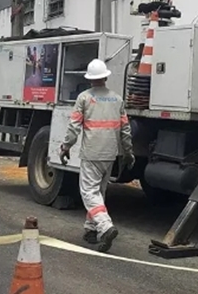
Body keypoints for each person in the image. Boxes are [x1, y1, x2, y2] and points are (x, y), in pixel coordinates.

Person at [59, 59, 134, 252]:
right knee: (99, 193)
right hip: (110, 154)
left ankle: (105, 226)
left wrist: (65, 146)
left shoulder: (84, 98)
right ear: (106, 77)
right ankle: (90, 230)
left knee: (89, 192)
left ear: (89, 79)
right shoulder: (117, 99)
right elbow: (125, 130)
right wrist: (128, 152)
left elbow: (74, 126)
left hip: (92, 152)